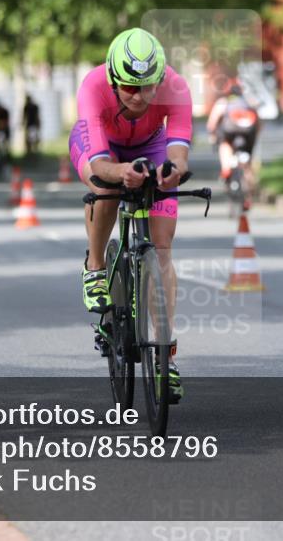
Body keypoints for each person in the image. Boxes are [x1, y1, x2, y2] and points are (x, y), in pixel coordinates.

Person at [68, 28, 191, 399]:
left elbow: (179, 155)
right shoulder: (93, 86)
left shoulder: (177, 87)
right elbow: (99, 164)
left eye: (148, 87)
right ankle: (95, 265)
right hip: (100, 146)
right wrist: (122, 173)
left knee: (163, 245)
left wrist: (171, 173)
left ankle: (164, 358)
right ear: (113, 78)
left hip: (151, 146)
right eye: (130, 88)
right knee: (104, 187)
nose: (140, 96)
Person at [206, 83, 261, 184]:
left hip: (229, 132)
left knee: (224, 144)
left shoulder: (223, 102)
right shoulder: (248, 102)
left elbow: (212, 122)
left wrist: (212, 135)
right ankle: (250, 184)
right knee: (248, 160)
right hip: (248, 133)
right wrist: (255, 135)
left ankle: (226, 169)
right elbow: (258, 122)